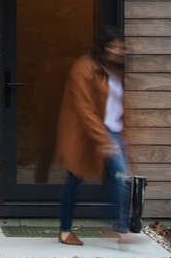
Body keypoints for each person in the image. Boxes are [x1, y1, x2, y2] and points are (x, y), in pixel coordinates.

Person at [54, 28, 138, 246]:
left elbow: (117, 105)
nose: (120, 51)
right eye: (116, 46)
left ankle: (120, 226)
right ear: (105, 47)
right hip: (87, 133)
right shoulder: (85, 68)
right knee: (76, 178)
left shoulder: (114, 70)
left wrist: (121, 132)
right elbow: (84, 107)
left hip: (112, 130)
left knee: (117, 176)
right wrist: (103, 138)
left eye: (122, 47)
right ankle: (66, 230)